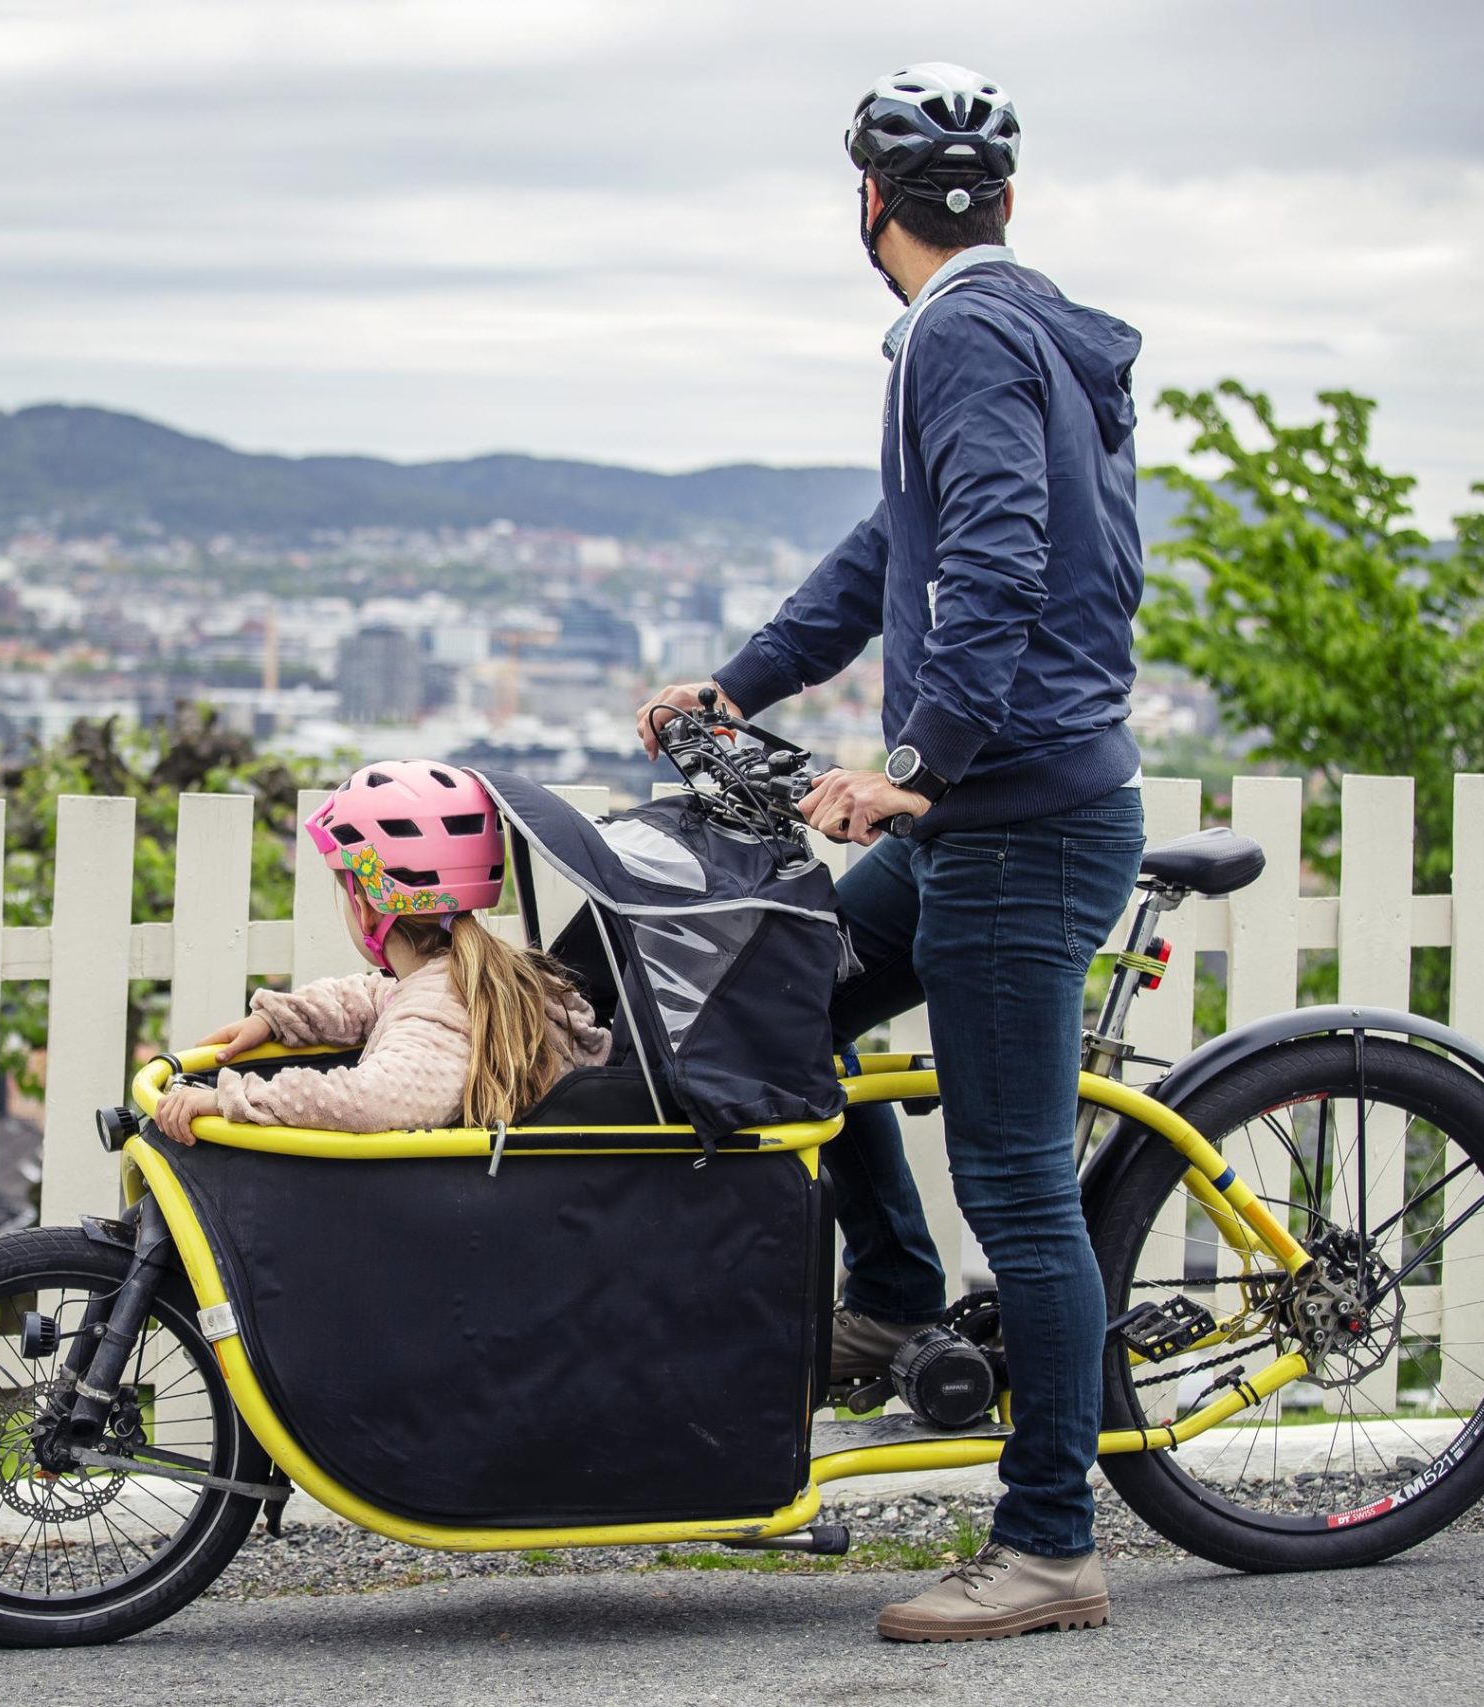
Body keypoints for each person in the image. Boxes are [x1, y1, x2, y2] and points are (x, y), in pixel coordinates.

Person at [636, 62, 1147, 1643]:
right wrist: (745, 682)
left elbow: (995, 559)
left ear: (871, 207)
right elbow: (892, 554)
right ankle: (900, 1298)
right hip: (986, 817)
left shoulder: (969, 334)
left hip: (1009, 823)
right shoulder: (1005, 328)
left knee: (1019, 1183)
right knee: (786, 1011)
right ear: (1003, 201)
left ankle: (1051, 1538)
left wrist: (912, 768)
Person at [152, 761, 609, 1142]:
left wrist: (230, 1099)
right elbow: (378, 996)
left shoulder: (436, 1011)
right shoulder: (496, 975)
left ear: (369, 909)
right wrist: (280, 1017)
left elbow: (369, 1101)